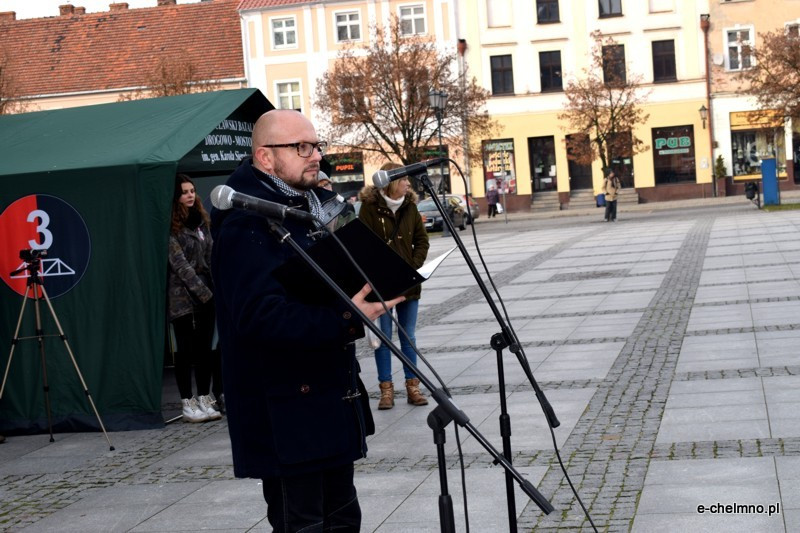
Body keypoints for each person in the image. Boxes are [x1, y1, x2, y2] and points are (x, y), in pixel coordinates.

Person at [211, 109, 404, 532]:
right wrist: (347, 318)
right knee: (303, 524)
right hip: (285, 412)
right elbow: (258, 317)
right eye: (301, 147)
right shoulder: (246, 223)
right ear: (265, 157)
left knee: (343, 520)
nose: (315, 155)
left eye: (317, 145)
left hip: (330, 397)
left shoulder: (314, 205)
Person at [358, 163, 430, 410]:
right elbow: (362, 245)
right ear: (390, 183)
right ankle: (386, 391)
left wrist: (413, 265)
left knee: (408, 336)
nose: (408, 184)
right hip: (381, 285)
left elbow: (422, 240)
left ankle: (413, 387)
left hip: (408, 283)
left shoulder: (410, 206)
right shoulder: (369, 208)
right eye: (403, 180)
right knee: (383, 338)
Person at [167, 175, 222, 423]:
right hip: (182, 297)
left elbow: (210, 255)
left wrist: (214, 288)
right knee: (186, 350)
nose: (190, 195)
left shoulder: (202, 223)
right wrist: (204, 293)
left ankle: (204, 397)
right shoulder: (172, 228)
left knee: (204, 349)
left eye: (192, 191)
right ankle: (187, 402)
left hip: (206, 294)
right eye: (184, 192)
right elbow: (180, 266)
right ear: (176, 197)